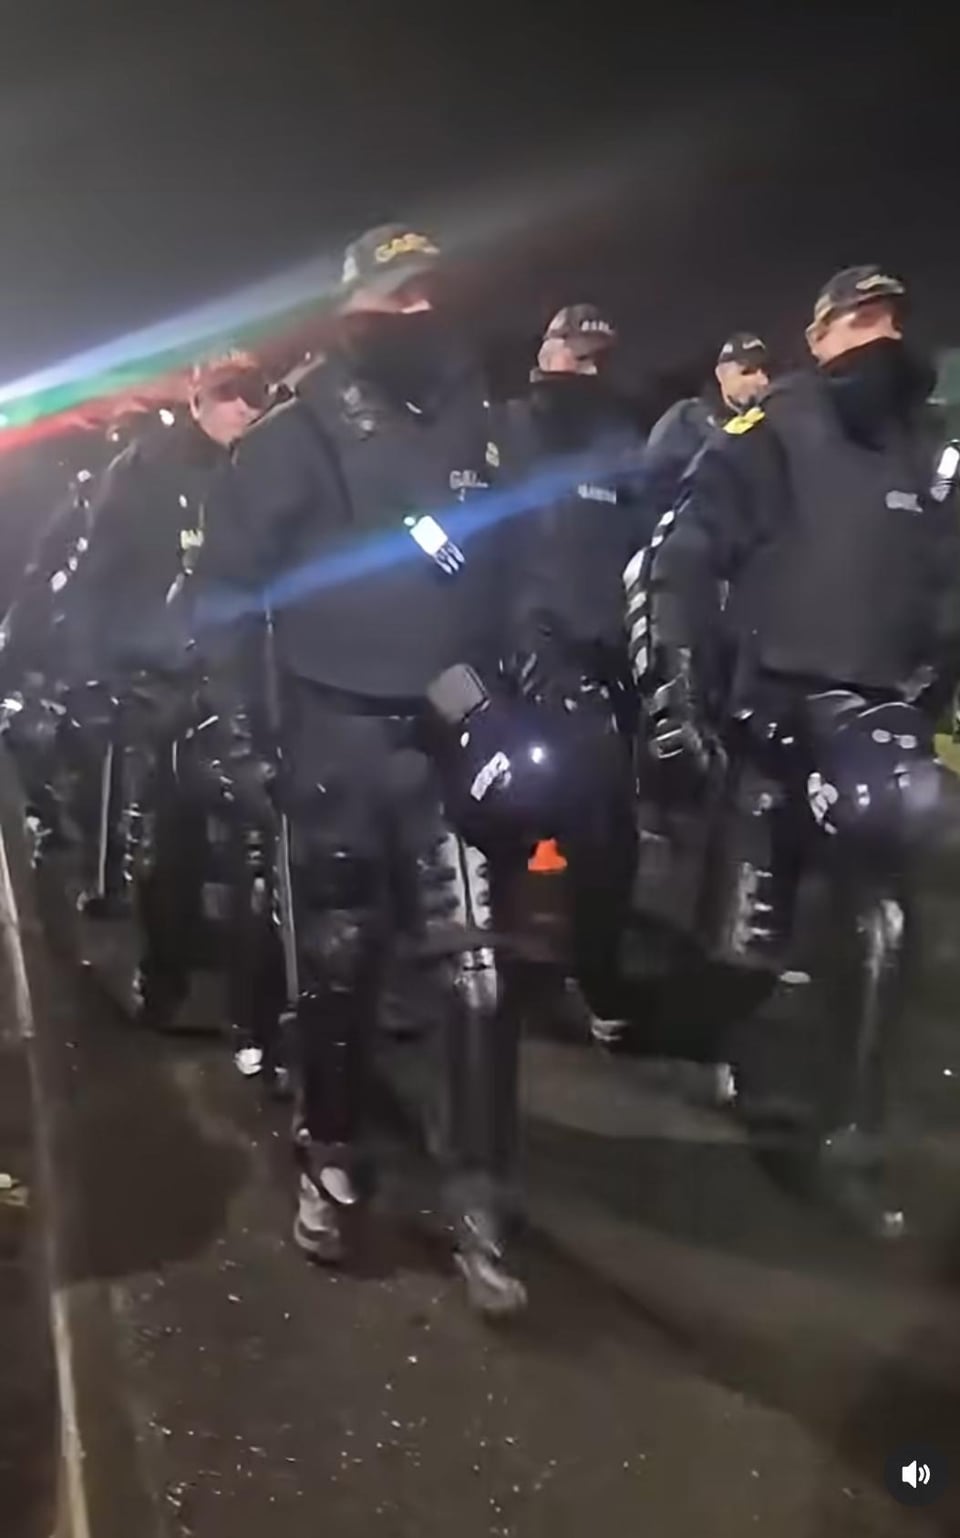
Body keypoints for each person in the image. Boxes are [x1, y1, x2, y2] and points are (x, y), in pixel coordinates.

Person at [194, 224, 528, 1313]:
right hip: (334, 738)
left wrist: (523, 679)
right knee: (340, 969)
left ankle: (481, 1197)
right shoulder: (293, 437)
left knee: (479, 975)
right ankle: (332, 1158)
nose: (420, 312)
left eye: (432, 292)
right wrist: (243, 732)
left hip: (449, 737)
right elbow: (228, 597)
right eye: (397, 295)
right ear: (352, 310)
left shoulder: (481, 422)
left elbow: (514, 565)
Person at [637, 264, 960, 1234]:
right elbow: (680, 559)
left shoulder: (931, 447)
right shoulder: (767, 431)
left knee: (880, 927)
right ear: (817, 337)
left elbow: (949, 584)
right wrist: (678, 693)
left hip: (879, 723)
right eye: (856, 320)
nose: (876, 336)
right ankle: (675, 1028)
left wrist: (932, 686)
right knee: (743, 946)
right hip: (772, 716)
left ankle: (846, 1141)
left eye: (889, 319)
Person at [67, 354, 269, 1020]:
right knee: (170, 837)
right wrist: (96, 672)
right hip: (168, 680)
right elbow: (98, 576)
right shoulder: (143, 470)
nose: (244, 407)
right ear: (198, 399)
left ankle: (258, 994)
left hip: (252, 676)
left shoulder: (272, 462)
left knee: (259, 842)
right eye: (229, 393)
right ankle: (165, 979)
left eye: (254, 393)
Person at [500, 305, 648, 1040]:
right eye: (576, 354)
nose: (588, 369)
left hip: (593, 664)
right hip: (503, 661)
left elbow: (647, 549)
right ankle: (490, 969)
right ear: (546, 351)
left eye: (599, 358)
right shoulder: (502, 430)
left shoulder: (622, 445)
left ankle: (595, 973)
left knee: (605, 832)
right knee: (494, 824)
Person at [640, 331, 770, 525]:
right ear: (721, 375)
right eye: (747, 372)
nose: (762, 381)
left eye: (765, 371)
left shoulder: (773, 423)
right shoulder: (687, 417)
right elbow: (651, 479)